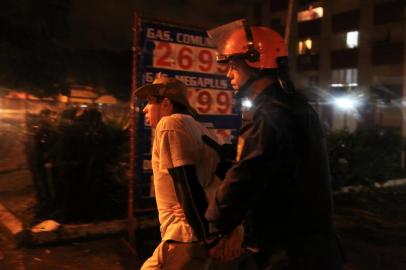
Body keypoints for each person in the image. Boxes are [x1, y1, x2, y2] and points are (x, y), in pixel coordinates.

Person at [203, 19, 346, 269]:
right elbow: (277, 168)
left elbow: (247, 175)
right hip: (311, 247)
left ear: (255, 60)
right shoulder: (292, 105)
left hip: (290, 253)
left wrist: (216, 225)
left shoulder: (271, 113)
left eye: (233, 67)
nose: (228, 75)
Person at [135, 75, 243, 270]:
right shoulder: (202, 129)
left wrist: (207, 236)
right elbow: (219, 178)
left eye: (150, 101)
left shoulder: (169, 125)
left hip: (185, 238)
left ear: (166, 104)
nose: (144, 108)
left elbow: (186, 182)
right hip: (180, 237)